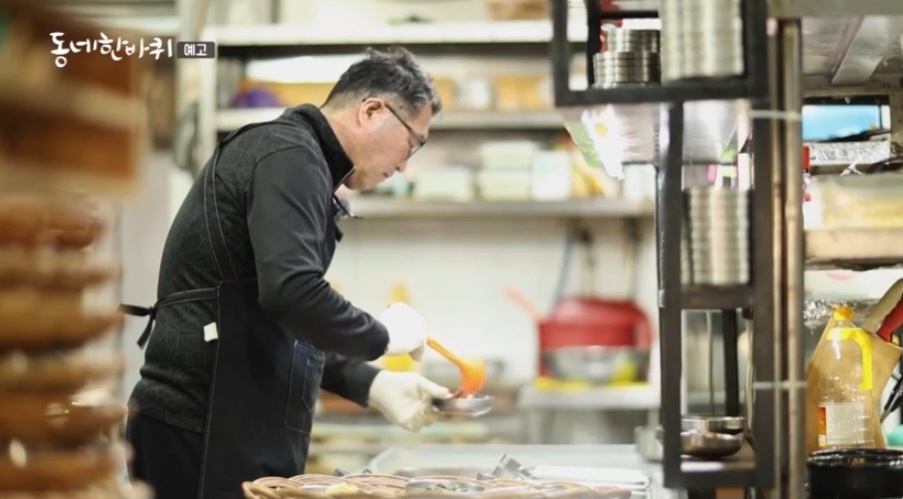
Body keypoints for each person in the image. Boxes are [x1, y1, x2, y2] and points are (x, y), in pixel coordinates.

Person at [120, 47, 452, 499]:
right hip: (202, 429)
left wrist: (371, 383)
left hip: (229, 425)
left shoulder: (301, 159)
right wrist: (382, 336)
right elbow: (293, 292)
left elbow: (280, 319)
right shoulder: (290, 154)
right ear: (372, 111)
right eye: (412, 144)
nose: (404, 165)